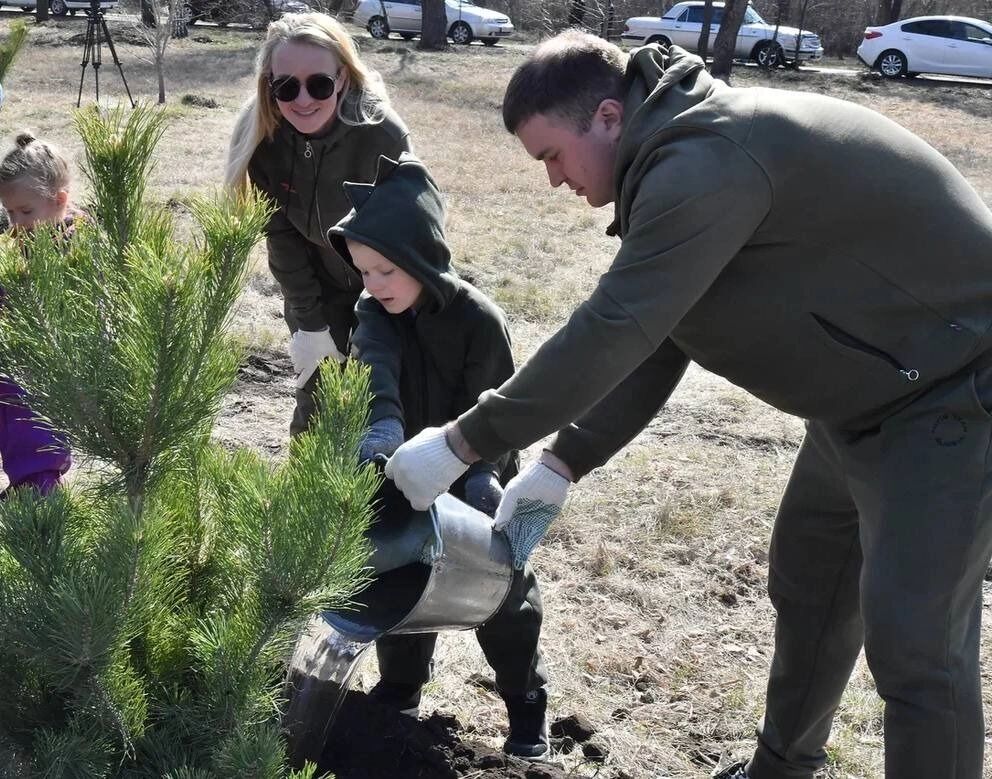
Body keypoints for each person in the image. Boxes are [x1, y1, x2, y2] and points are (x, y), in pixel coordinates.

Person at [382, 31, 992, 779]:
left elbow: (618, 324)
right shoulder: (676, 156)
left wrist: (461, 443)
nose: (552, 181)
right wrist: (565, 460)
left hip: (953, 391)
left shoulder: (707, 159)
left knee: (916, 643)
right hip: (863, 398)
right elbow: (665, 331)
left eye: (551, 157)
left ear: (608, 116)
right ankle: (782, 766)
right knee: (812, 580)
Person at [327, 152, 550, 759]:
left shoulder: (480, 322)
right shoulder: (374, 312)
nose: (371, 285)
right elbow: (376, 377)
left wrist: (478, 474)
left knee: (503, 587)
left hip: (476, 465)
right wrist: (382, 442)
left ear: (422, 258)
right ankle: (401, 686)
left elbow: (498, 411)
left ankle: (526, 702)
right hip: (403, 463)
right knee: (397, 571)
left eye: (383, 271)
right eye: (363, 272)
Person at [226, 12, 411, 436]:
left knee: (382, 403)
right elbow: (280, 234)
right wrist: (310, 323)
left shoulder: (381, 135)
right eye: (286, 86)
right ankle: (305, 500)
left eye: (319, 84)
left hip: (385, 287)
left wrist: (380, 312)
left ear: (343, 78)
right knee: (317, 399)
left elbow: (409, 238)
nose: (302, 99)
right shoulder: (263, 137)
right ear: (270, 85)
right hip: (314, 286)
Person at [0, 131, 74, 496]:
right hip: (12, 350)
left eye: (26, 212)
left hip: (49, 358)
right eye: (9, 212)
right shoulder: (16, 242)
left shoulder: (74, 245)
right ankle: (23, 480)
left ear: (59, 200)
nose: (16, 222)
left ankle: (40, 483)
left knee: (30, 417)